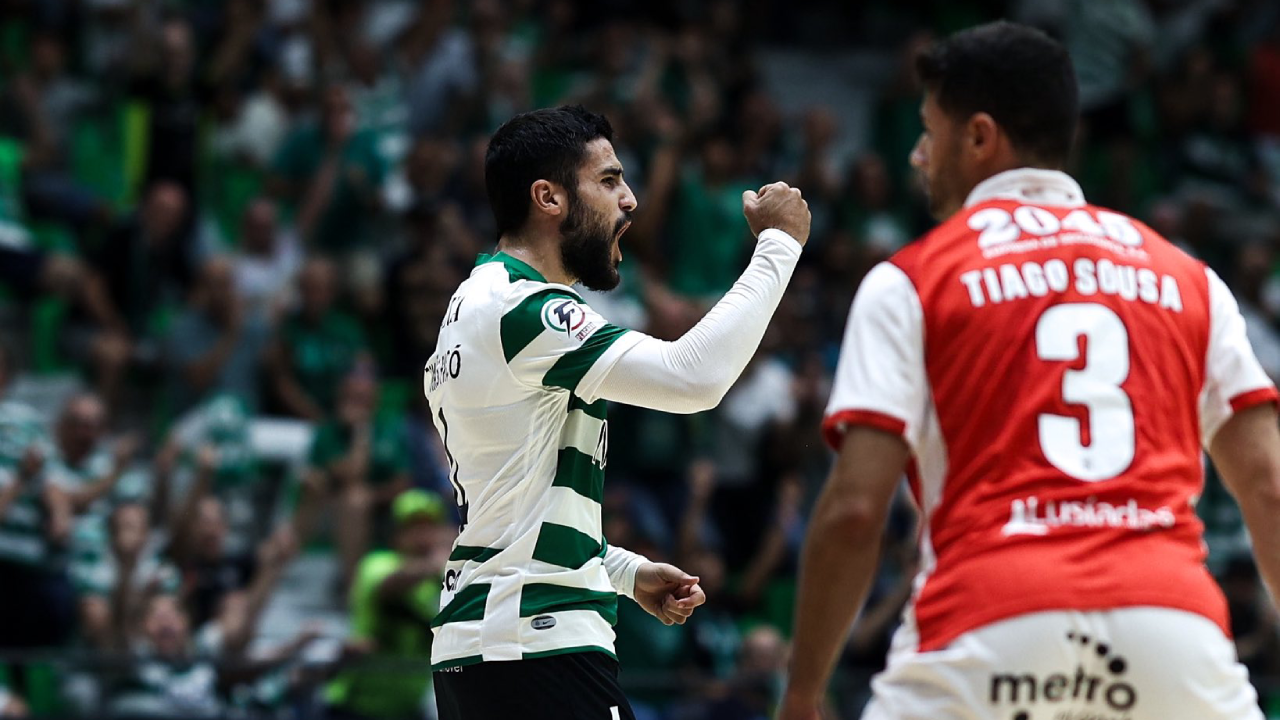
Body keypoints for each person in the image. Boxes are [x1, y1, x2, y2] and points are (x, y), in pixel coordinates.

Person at [782, 22, 1279, 720]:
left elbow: (856, 509)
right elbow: (1269, 488)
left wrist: (803, 694)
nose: (919, 155)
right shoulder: (1190, 278)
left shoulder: (914, 280)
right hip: (1169, 626)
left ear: (979, 137)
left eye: (929, 131)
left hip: (988, 619)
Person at [425, 105, 810, 719]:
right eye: (608, 180)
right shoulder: (522, 309)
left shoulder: (474, 307)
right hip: (535, 644)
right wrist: (779, 245)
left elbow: (513, 513)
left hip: (485, 646)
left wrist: (624, 572)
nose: (630, 200)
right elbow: (693, 378)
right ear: (548, 198)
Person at [324, 489, 451, 720]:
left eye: (429, 527)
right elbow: (389, 586)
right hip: (356, 706)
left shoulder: (442, 579)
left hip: (408, 708)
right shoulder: (377, 563)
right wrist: (435, 564)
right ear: (396, 532)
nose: (423, 535)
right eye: (412, 527)